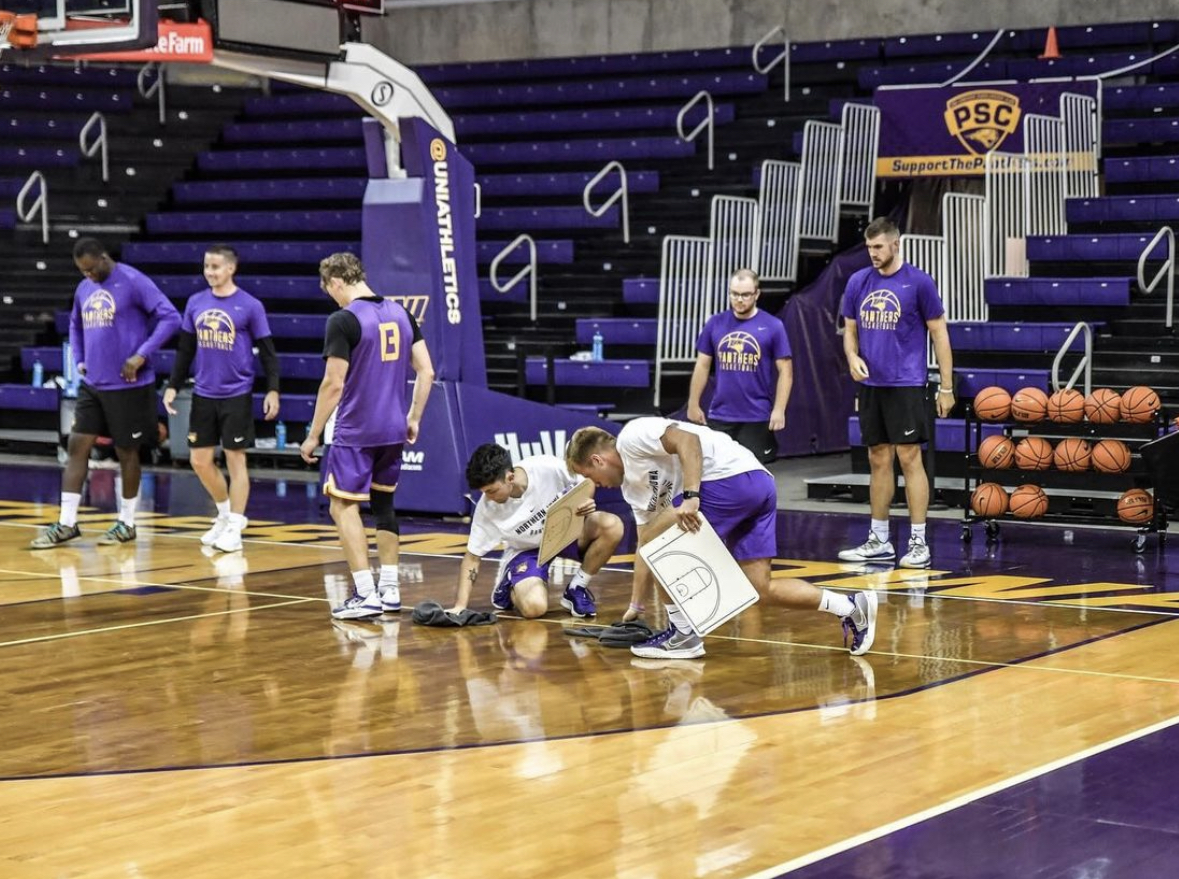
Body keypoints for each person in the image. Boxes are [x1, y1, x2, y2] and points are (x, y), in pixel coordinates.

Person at [566, 419, 877, 660]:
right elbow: (642, 547)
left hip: (728, 479)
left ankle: (684, 635)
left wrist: (691, 496)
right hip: (759, 485)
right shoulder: (633, 491)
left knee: (660, 539)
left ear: (597, 460)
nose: (598, 486)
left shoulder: (633, 435)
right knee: (760, 588)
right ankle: (850, 607)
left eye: (591, 478)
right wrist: (637, 605)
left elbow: (689, 440)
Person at [299, 252, 434, 620]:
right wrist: (414, 418)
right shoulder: (402, 313)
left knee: (342, 506)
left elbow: (333, 384)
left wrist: (312, 435)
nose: (332, 298)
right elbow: (427, 372)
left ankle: (364, 593)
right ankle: (390, 590)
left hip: (356, 429)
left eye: (330, 291)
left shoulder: (343, 320)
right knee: (384, 506)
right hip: (393, 428)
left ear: (336, 282)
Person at [31, 238, 181, 548]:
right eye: (82, 272)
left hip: (129, 386)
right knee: (77, 446)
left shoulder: (133, 280)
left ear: (103, 259)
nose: (87, 276)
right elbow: (74, 325)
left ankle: (126, 522)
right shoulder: (84, 289)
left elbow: (171, 318)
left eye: (90, 269)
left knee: (126, 452)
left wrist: (142, 354)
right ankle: (67, 523)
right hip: (94, 385)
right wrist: (80, 358)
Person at [838, 217, 954, 570]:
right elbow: (850, 330)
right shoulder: (858, 281)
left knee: (909, 458)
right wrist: (852, 356)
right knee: (877, 458)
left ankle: (919, 541)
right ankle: (879, 540)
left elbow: (939, 334)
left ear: (895, 244)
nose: (872, 253)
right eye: (869, 247)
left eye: (878, 247)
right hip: (872, 385)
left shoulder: (918, 282)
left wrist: (946, 387)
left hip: (906, 384)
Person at [163, 245, 280, 553]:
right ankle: (225, 515)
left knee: (235, 459)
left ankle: (236, 525)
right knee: (199, 460)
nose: (209, 272)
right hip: (204, 393)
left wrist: (273, 389)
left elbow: (268, 352)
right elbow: (185, 348)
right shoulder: (195, 302)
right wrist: (173, 385)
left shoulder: (250, 305)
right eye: (206, 267)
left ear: (231, 268)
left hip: (236, 394)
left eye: (215, 267)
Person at [449, 443, 624, 619]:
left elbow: (585, 483)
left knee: (611, 525)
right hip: (527, 550)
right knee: (535, 608)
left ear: (510, 478)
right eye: (484, 492)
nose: (488, 497)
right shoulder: (487, 508)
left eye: (492, 491)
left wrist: (585, 500)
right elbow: (472, 558)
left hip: (563, 533)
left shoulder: (546, 467)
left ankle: (576, 588)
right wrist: (460, 607)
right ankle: (509, 583)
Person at [686, 268, 792, 464]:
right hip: (721, 413)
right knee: (717, 473)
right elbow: (702, 365)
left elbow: (786, 371)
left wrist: (779, 409)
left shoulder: (773, 325)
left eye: (745, 294)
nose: (739, 299)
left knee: (754, 475)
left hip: (756, 415)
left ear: (757, 294)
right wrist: (693, 402)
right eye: (734, 294)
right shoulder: (715, 323)